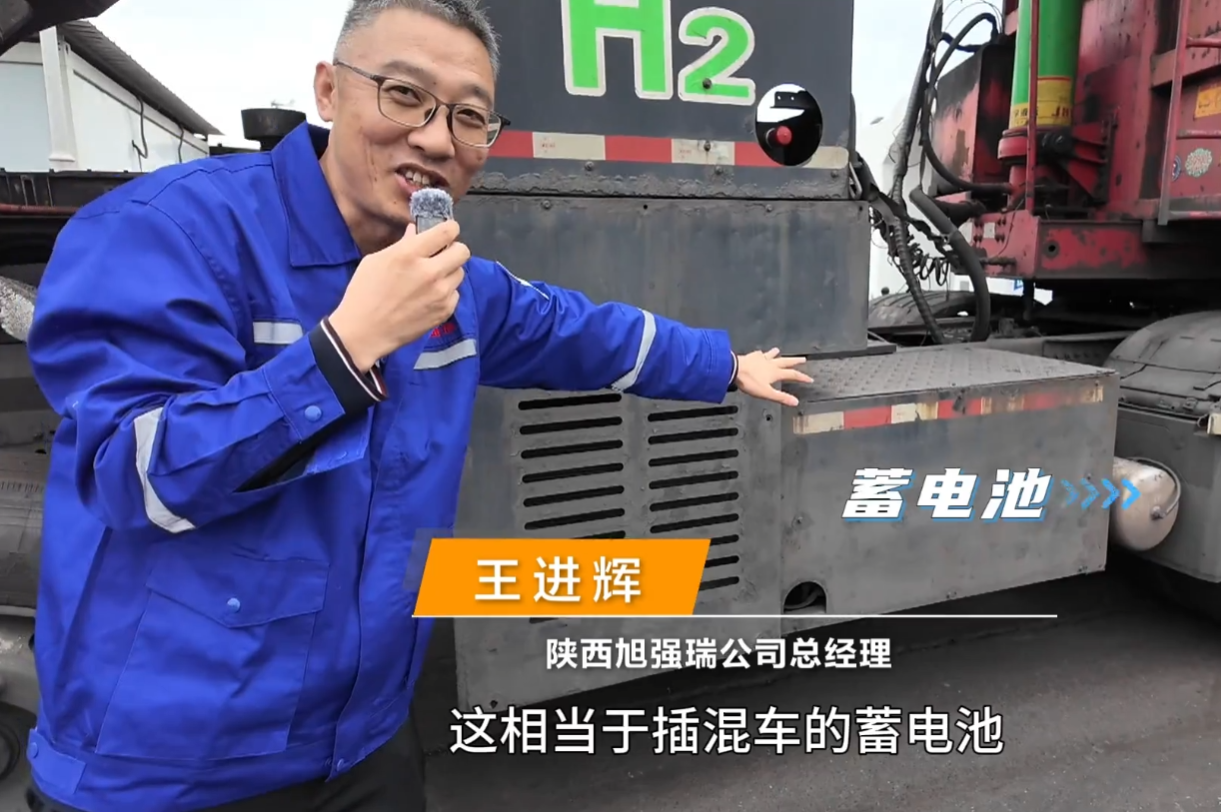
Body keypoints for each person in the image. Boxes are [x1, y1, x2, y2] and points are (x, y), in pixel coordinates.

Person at [21, 1, 811, 810]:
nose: (436, 139)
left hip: (362, 743)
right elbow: (130, 477)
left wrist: (725, 365)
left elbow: (580, 331)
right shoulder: (168, 232)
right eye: (404, 94)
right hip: (164, 770)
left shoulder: (453, 286)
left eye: (469, 117)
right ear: (328, 90)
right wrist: (341, 352)